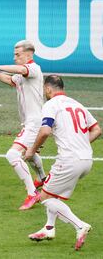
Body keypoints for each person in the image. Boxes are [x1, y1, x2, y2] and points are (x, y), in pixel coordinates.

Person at [25, 75, 101, 251]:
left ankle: (79, 225)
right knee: (55, 195)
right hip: (86, 160)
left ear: (49, 89)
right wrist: (81, 143)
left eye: (45, 90)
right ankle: (49, 229)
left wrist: (32, 150)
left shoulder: (51, 105)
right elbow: (97, 129)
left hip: (69, 160)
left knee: (44, 198)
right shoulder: (77, 104)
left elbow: (45, 131)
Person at [0, 40, 47, 210]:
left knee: (12, 155)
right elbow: (11, 80)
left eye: (18, 54)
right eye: (14, 54)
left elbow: (19, 70)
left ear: (29, 54)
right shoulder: (24, 74)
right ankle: (43, 179)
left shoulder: (33, 69)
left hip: (34, 122)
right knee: (30, 154)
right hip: (32, 121)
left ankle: (32, 194)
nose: (14, 57)